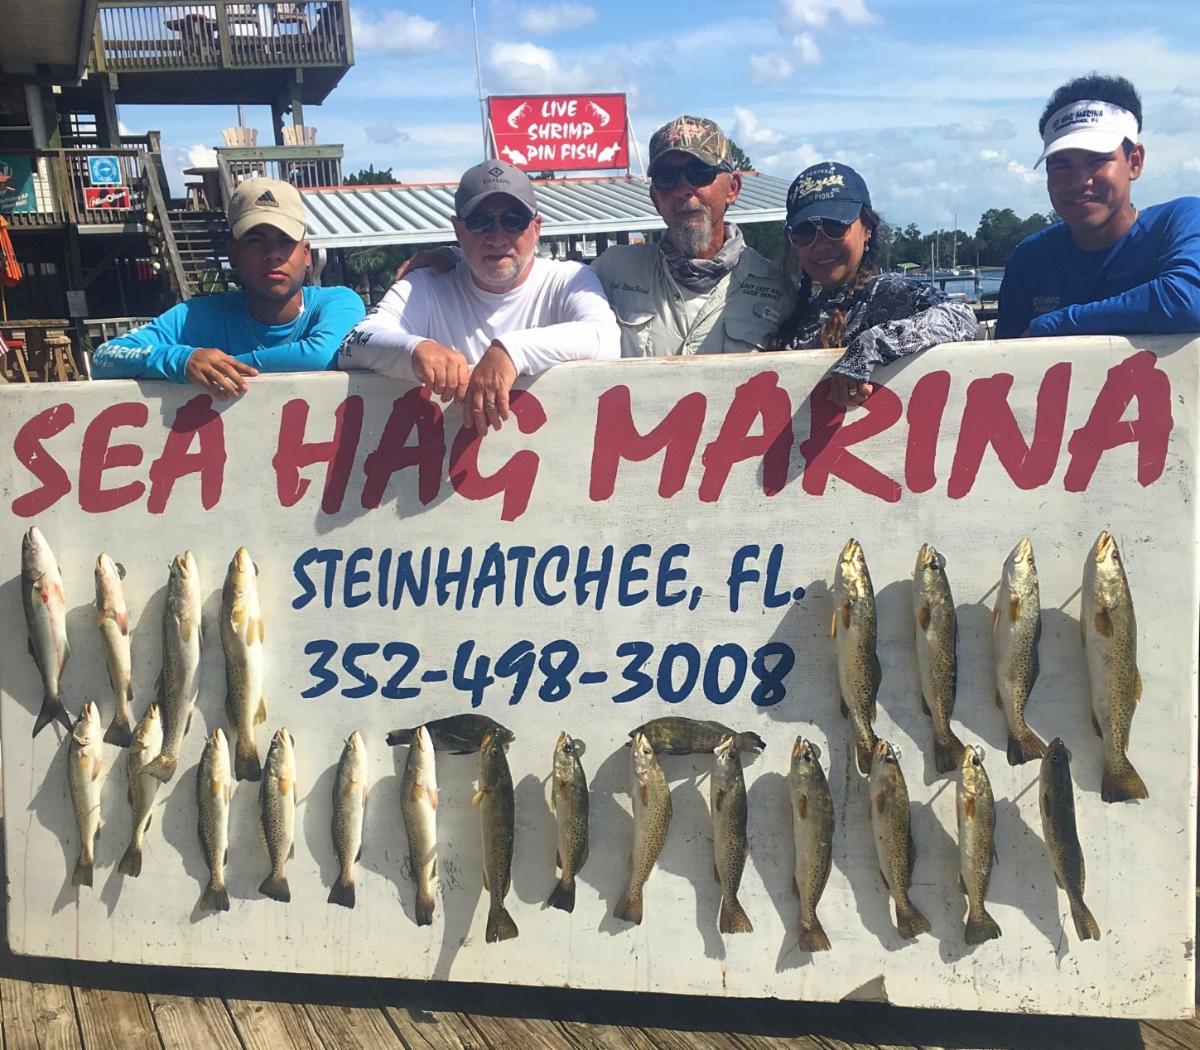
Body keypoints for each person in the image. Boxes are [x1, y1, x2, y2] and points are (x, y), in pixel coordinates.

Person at [338, 160, 620, 433]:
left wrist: (511, 351)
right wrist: (415, 350)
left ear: (536, 229)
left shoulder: (570, 279)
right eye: (480, 222)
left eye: (513, 221)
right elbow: (353, 343)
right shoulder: (424, 284)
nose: (497, 238)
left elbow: (605, 339)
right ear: (458, 230)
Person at [93, 177, 364, 398]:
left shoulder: (338, 302)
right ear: (232, 253)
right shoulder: (195, 315)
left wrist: (219, 368)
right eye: (255, 240)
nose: (273, 253)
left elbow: (321, 354)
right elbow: (105, 357)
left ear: (306, 254)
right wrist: (184, 360)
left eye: (285, 240)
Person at [997, 74, 1200, 339]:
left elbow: (1188, 300)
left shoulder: (1180, 221)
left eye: (1097, 160)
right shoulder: (1029, 260)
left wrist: (1050, 325)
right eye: (1061, 165)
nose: (1080, 181)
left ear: (1134, 162)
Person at [772, 161, 980, 405]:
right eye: (805, 231)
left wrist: (869, 347)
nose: (820, 243)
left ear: (867, 228)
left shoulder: (889, 292)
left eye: (835, 226)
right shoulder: (797, 310)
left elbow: (961, 317)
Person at [591, 115, 789, 357]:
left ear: (733, 188)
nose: (683, 189)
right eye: (666, 177)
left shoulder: (780, 287)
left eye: (699, 172)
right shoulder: (610, 272)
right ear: (655, 198)